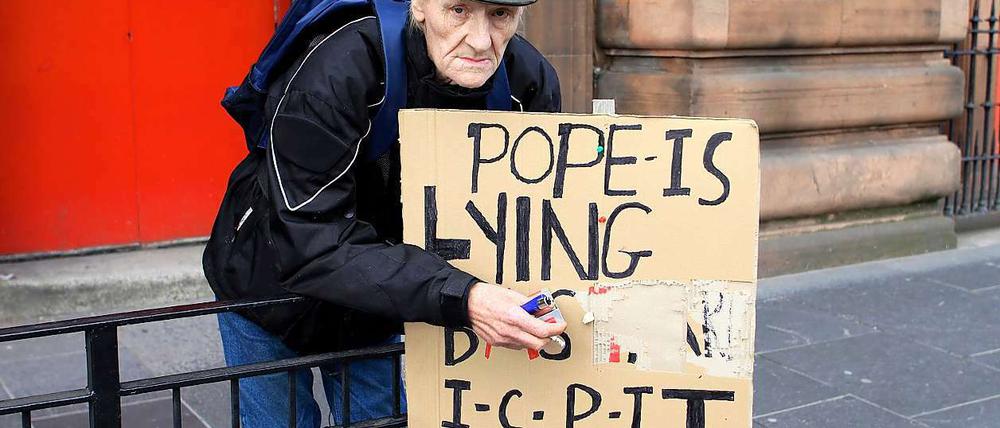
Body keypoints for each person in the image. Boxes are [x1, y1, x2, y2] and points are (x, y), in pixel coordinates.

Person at [202, 0, 566, 426]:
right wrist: (463, 298)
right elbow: (311, 240)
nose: (481, 40)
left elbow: (540, 217)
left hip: (381, 296)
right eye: (459, 10)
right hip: (267, 281)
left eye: (501, 14)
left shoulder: (527, 81)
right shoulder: (339, 69)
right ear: (420, 6)